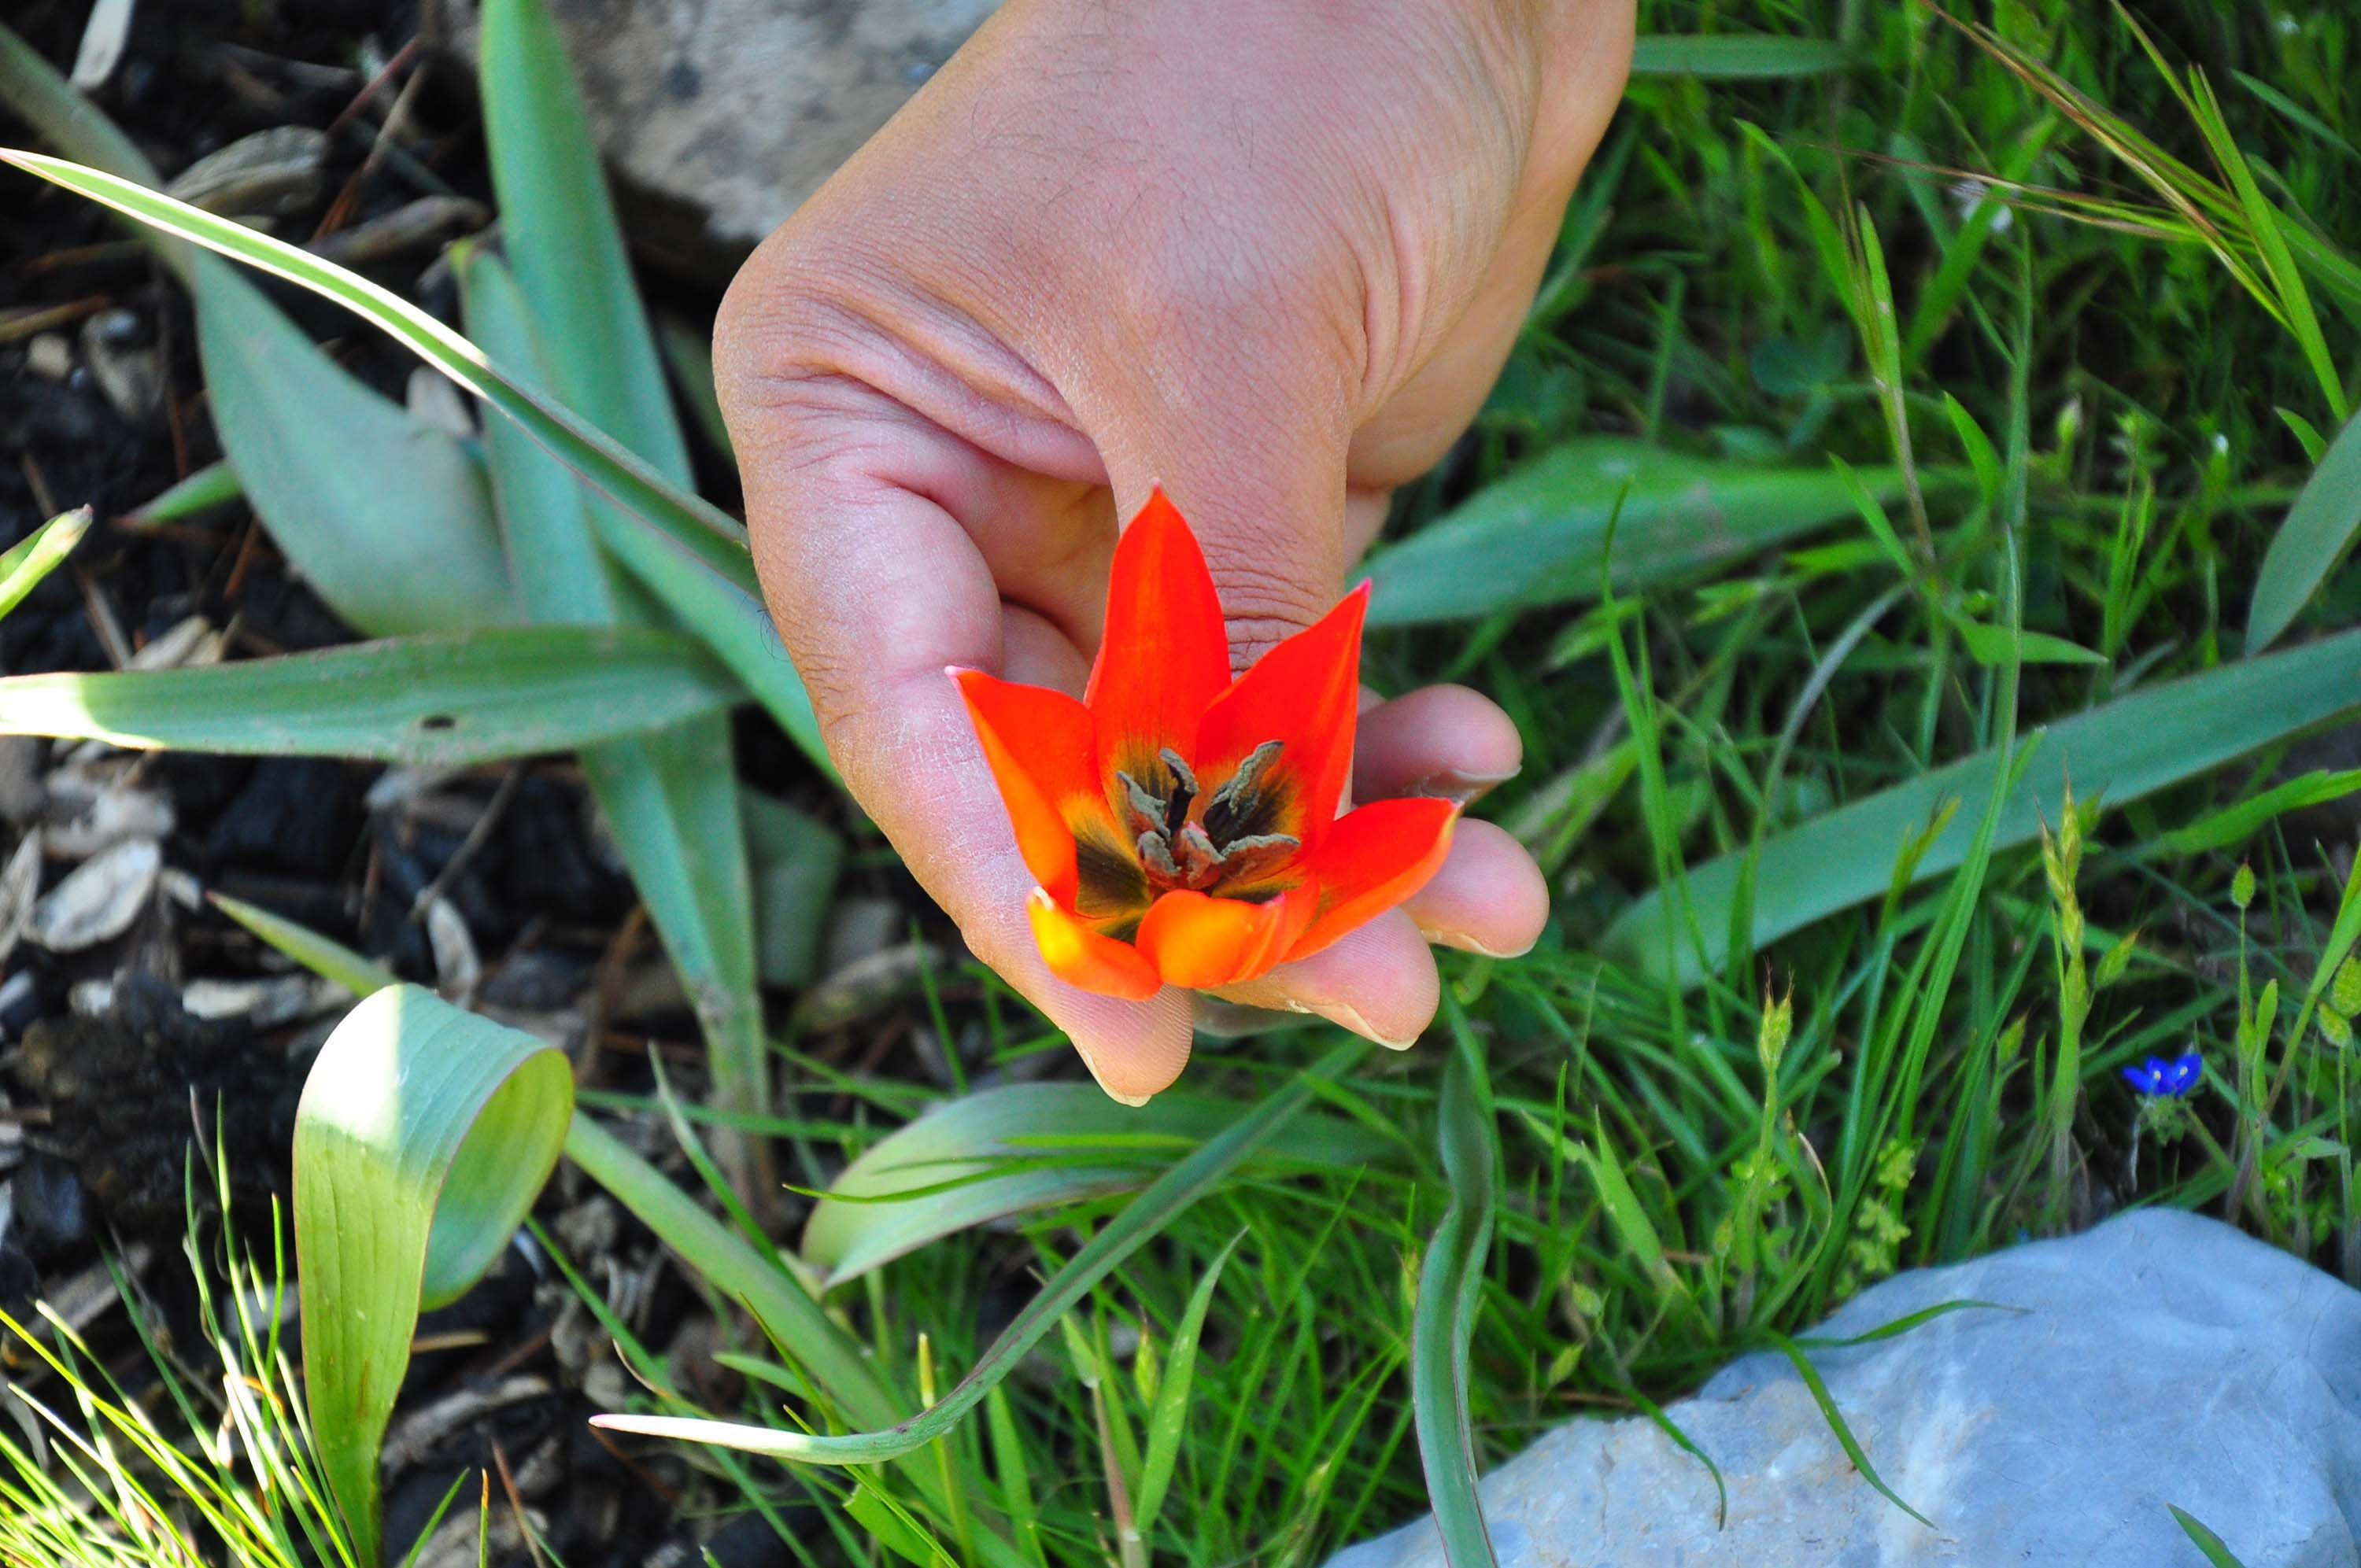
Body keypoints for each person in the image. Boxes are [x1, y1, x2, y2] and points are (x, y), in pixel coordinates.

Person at [715, 0, 1636, 1102]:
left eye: (1187, 854)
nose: (1191, 851)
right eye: (1195, 852)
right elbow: (1052, 841)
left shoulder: (1155, 846)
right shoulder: (1116, 882)